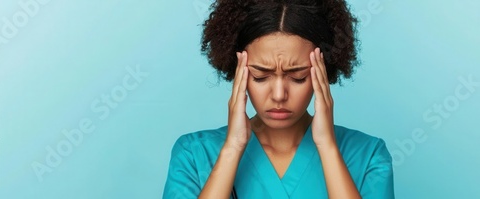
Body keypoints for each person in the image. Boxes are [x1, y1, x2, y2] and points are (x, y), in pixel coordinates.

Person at [163, 0, 394, 198]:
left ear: (322, 72)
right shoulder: (193, 155)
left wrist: (327, 146)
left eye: (298, 77)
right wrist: (233, 148)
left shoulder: (369, 156)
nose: (278, 95)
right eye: (261, 76)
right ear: (238, 72)